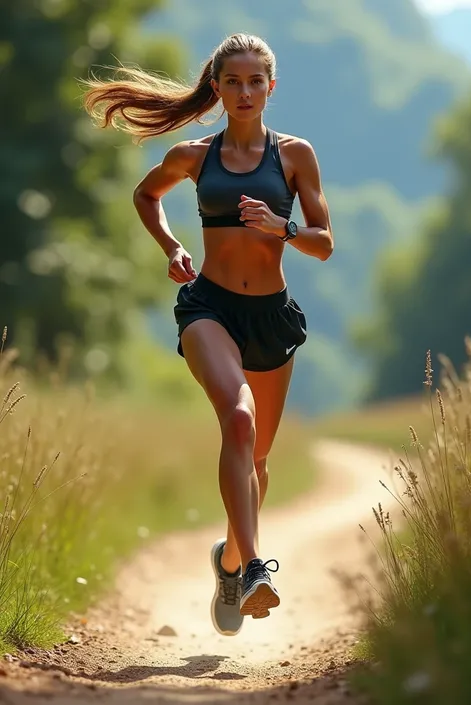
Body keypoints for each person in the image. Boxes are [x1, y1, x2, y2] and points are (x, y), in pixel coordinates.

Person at [83, 32, 333, 637]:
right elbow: (146, 196)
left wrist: (283, 226)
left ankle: (226, 561)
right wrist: (171, 246)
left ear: (270, 88)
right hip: (210, 308)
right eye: (232, 82)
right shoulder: (194, 156)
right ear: (216, 88)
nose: (244, 92)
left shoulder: (295, 155)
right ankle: (252, 568)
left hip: (271, 316)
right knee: (238, 421)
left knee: (261, 461)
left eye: (255, 82)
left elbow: (324, 244)